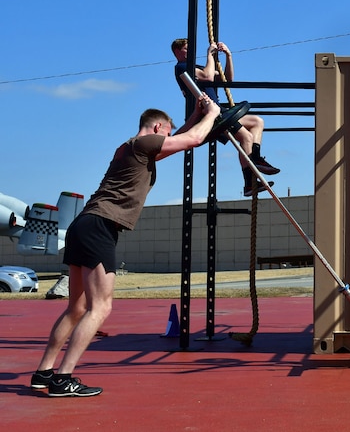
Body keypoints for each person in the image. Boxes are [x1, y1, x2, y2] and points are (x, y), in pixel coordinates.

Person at [30, 98, 221, 397]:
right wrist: (213, 114)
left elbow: (182, 138)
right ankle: (63, 378)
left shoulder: (131, 147)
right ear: (158, 128)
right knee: (100, 307)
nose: (168, 140)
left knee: (77, 308)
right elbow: (193, 139)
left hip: (85, 224)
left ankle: (44, 372)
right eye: (167, 133)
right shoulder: (143, 145)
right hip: (99, 226)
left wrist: (196, 114)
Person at [171, 38, 279, 196]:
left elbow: (227, 79)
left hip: (218, 110)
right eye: (187, 49)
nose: (190, 52)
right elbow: (208, 76)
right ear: (177, 51)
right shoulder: (182, 68)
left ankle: (255, 160)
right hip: (209, 114)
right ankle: (249, 183)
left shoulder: (197, 67)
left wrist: (229, 56)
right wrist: (210, 54)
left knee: (257, 121)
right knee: (246, 137)